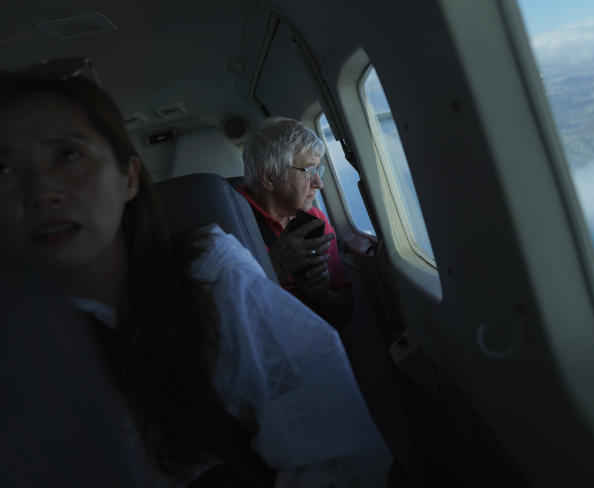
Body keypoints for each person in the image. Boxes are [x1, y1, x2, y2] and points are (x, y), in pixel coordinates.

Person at [0, 73, 391, 486]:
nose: (41, 192)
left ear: (129, 177)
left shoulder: (213, 276)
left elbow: (337, 450)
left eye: (68, 155)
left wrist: (319, 292)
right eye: (3, 167)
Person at [236, 117, 353, 328]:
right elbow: (225, 315)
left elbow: (344, 312)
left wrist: (322, 296)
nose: (319, 183)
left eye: (318, 171)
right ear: (269, 177)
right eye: (309, 171)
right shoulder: (228, 225)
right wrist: (274, 267)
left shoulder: (317, 221)